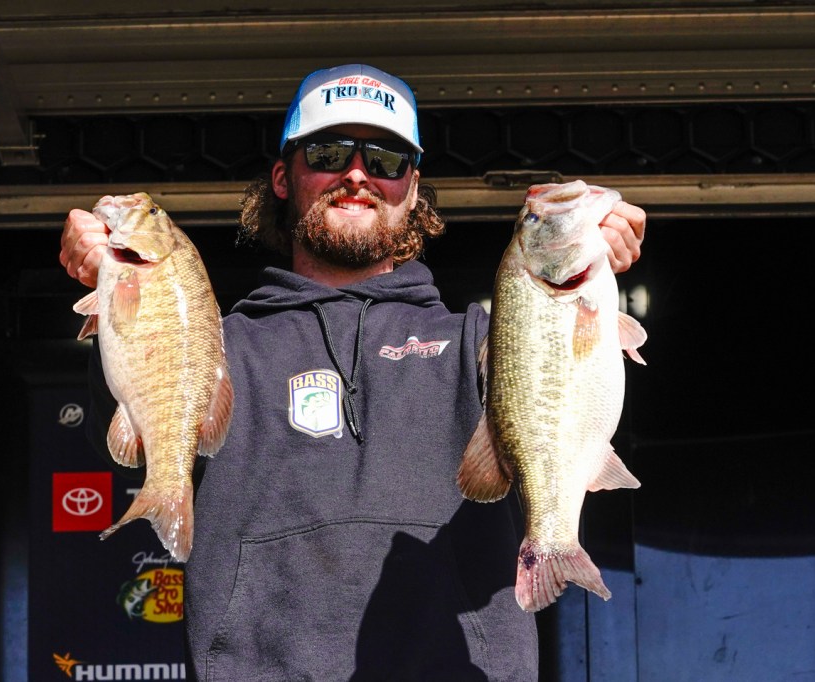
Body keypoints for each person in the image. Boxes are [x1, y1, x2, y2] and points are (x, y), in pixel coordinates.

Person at [60, 63, 645, 681]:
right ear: (283, 177)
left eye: (387, 159)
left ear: (412, 189)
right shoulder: (214, 340)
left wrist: (594, 253)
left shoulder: (484, 339)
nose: (358, 174)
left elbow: (570, 395)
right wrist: (115, 285)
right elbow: (132, 434)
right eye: (329, 153)